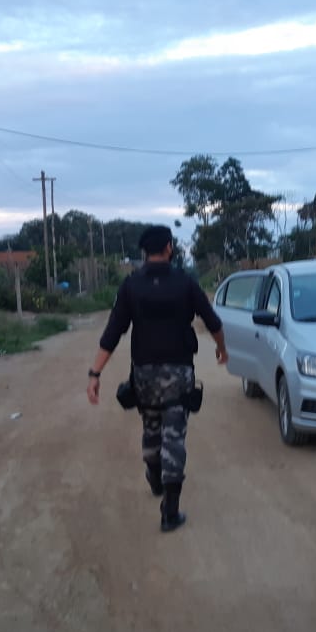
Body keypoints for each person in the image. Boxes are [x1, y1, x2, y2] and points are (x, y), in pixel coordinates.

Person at [86, 226, 228, 531]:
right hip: (178, 372)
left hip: (144, 374)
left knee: (151, 427)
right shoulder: (186, 283)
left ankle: (154, 477)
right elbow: (213, 321)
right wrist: (222, 349)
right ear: (168, 248)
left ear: (143, 252)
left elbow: (113, 332)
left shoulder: (131, 286)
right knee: (173, 436)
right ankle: (170, 512)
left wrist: (94, 373)